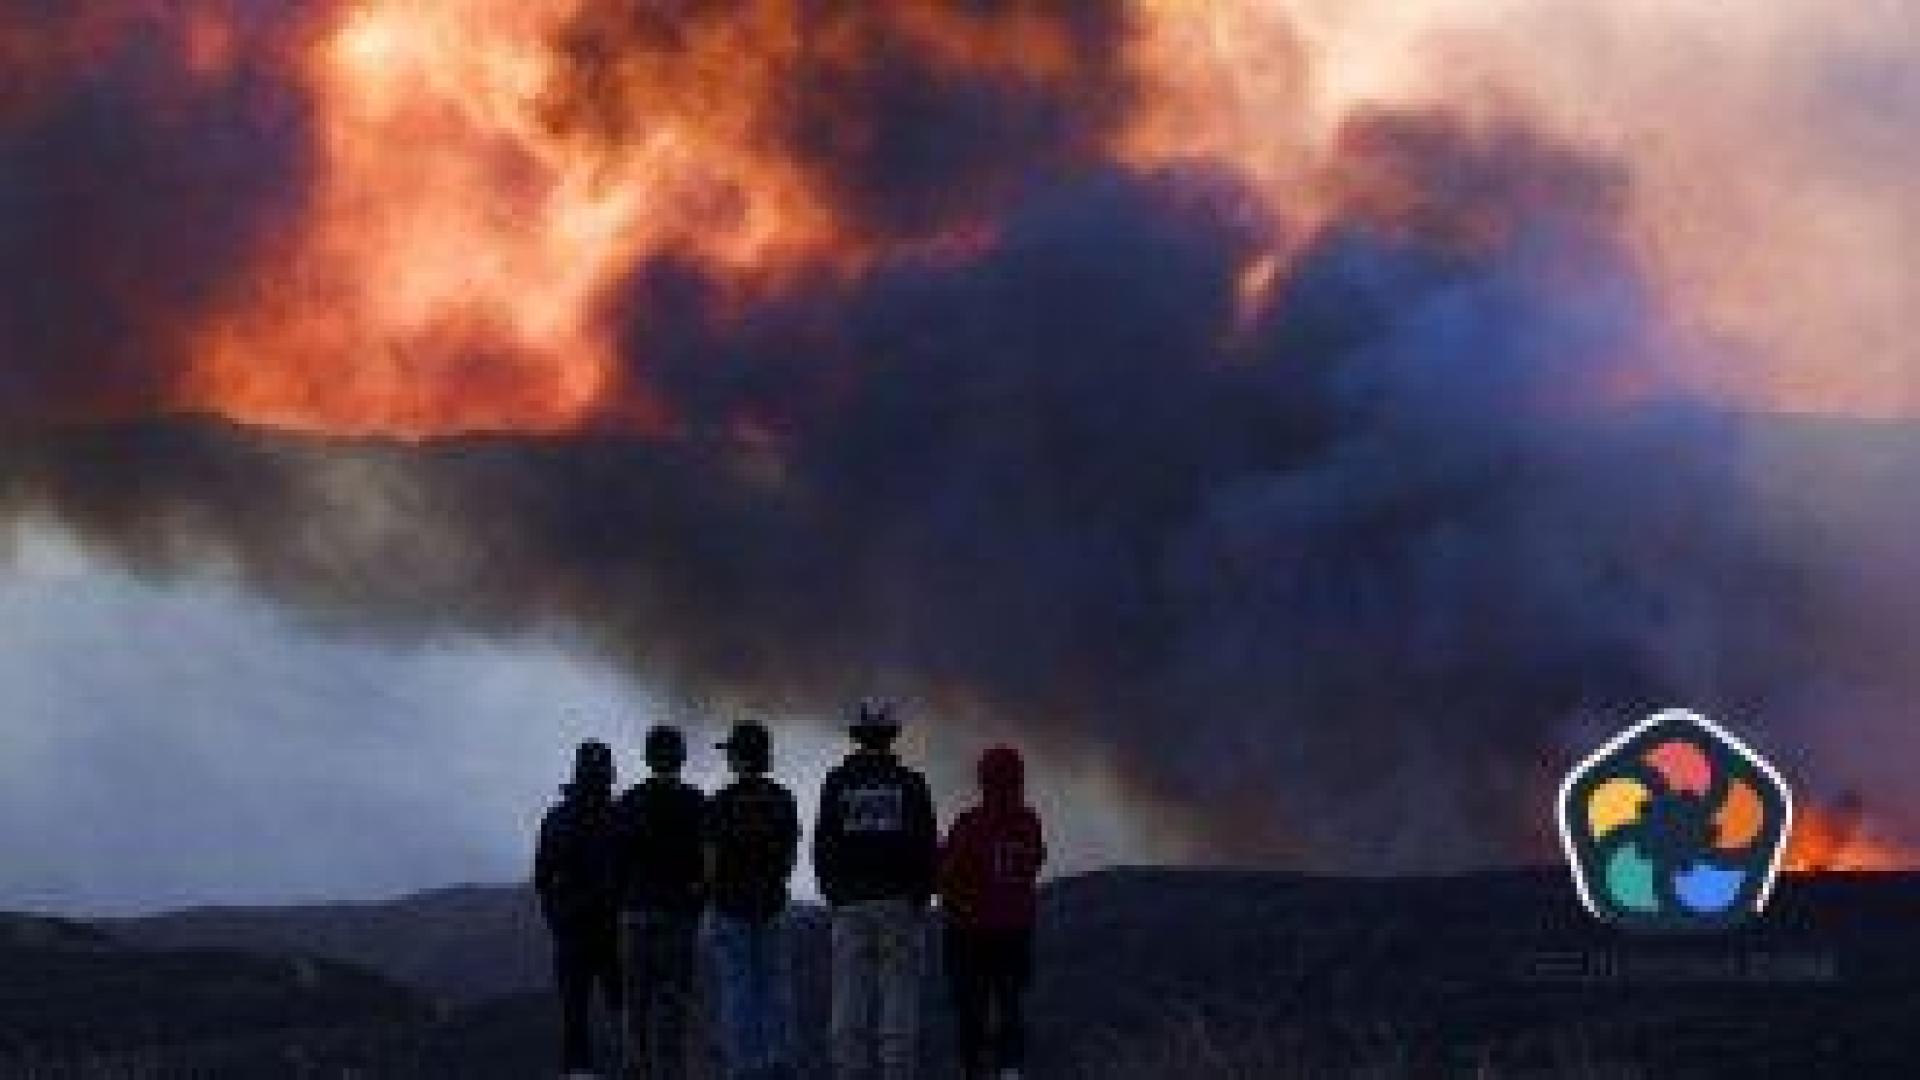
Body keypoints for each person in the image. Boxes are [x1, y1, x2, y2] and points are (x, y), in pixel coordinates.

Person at [813, 701, 938, 1080]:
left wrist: (835, 894)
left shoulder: (837, 783)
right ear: (891, 737)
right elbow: (927, 846)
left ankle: (849, 1072)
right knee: (899, 1000)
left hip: (851, 905)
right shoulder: (911, 784)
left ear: (858, 737)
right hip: (898, 904)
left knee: (848, 998)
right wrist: (919, 896)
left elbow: (824, 844)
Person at [939, 746, 1046, 1080]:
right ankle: (1009, 1070)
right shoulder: (1028, 823)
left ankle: (973, 1070)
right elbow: (1034, 861)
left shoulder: (970, 823)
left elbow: (950, 872)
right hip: (1015, 932)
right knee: (1010, 1005)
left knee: (972, 1008)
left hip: (971, 933)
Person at [706, 721, 801, 1080]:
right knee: (775, 986)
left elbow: (711, 859)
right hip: (772, 901)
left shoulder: (720, 802)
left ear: (739, 758)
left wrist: (713, 895)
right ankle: (778, 1061)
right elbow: (790, 857)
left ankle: (743, 1066)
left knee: (737, 988)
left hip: (731, 905)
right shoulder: (783, 799)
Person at [612, 725, 707, 1080]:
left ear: (648, 758)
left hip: (635, 912)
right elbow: (707, 861)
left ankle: (634, 1070)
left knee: (634, 1003)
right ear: (681, 758)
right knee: (672, 1004)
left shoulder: (629, 802)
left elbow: (616, 861)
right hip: (678, 914)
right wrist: (698, 900)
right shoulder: (696, 803)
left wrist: (623, 901)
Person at [535, 739, 626, 1079]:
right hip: (614, 929)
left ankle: (579, 1072)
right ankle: (633, 1067)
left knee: (575, 1013)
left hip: (573, 929)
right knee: (624, 1009)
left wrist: (556, 919)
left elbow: (543, 878)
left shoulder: (557, 819)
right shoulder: (620, 818)